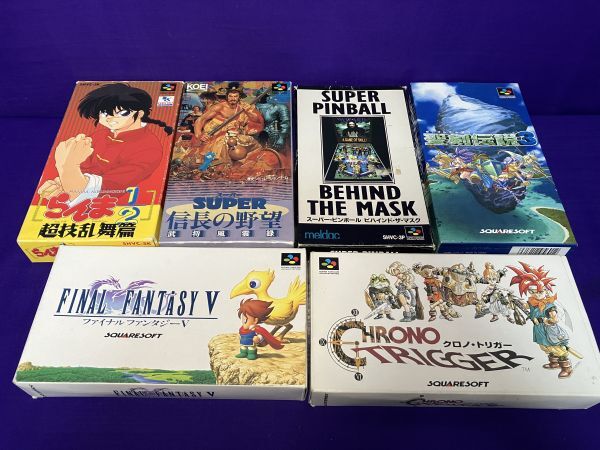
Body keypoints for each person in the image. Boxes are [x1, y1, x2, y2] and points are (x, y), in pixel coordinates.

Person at [37, 83, 172, 206]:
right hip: (76, 196)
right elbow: (82, 167)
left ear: (140, 113)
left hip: (114, 206)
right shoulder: (100, 135)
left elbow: (109, 187)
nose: (109, 118)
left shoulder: (149, 148)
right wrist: (59, 183)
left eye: (122, 113)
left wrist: (67, 167)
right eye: (104, 113)